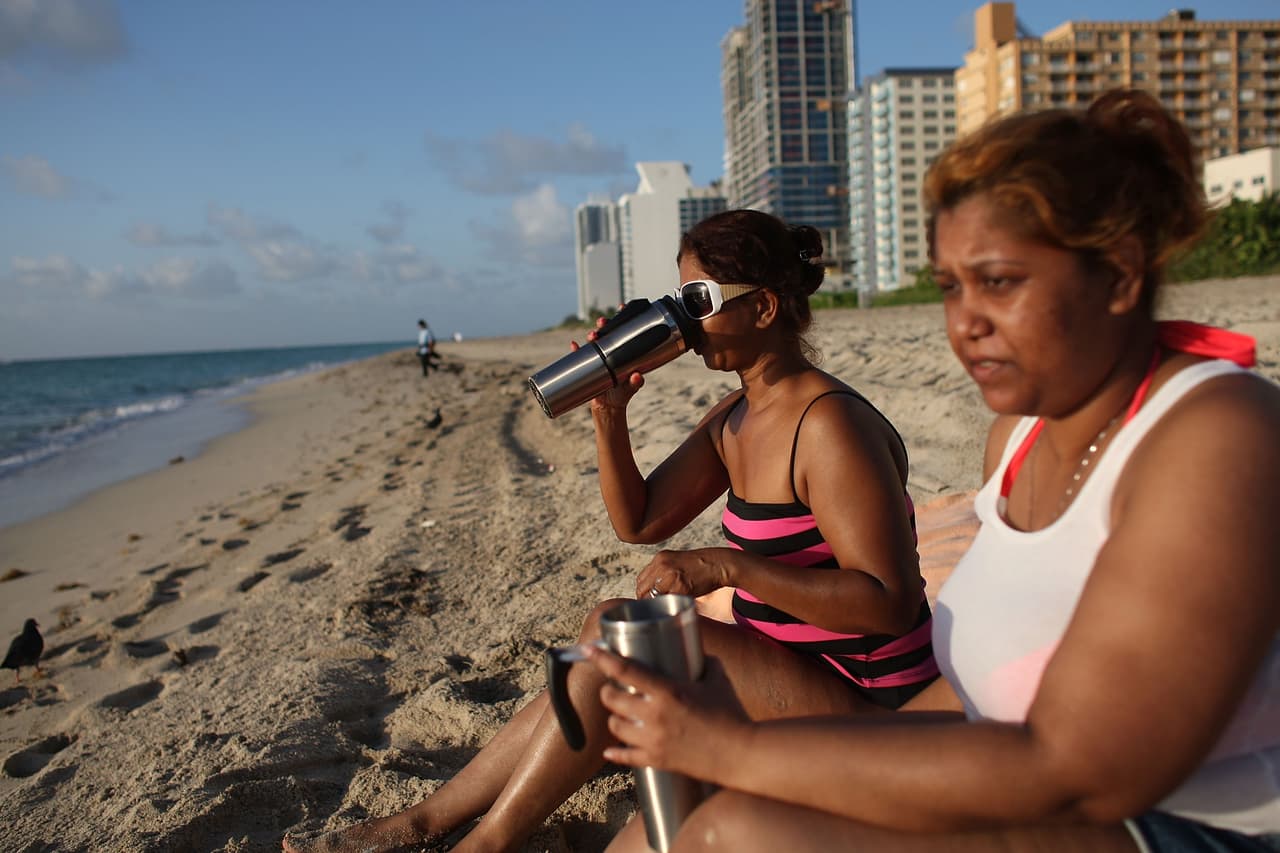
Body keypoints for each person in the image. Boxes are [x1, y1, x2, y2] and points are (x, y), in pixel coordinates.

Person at [588, 88, 1280, 852]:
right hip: (1027, 775)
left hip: (1183, 826)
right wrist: (766, 766)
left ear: (1118, 274)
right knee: (672, 833)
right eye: (951, 285)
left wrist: (731, 752)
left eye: (1000, 281)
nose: (964, 320)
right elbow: (980, 694)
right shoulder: (1017, 438)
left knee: (733, 831)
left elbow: (1085, 768)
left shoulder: (1219, 433)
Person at [283, 209, 941, 852]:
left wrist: (729, 566)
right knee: (593, 661)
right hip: (789, 674)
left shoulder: (829, 426)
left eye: (697, 298)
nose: (683, 320)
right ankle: (426, 821)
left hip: (869, 709)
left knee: (614, 631)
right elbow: (640, 519)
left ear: (764, 307)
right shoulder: (736, 415)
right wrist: (609, 411)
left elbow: (888, 602)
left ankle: (484, 843)